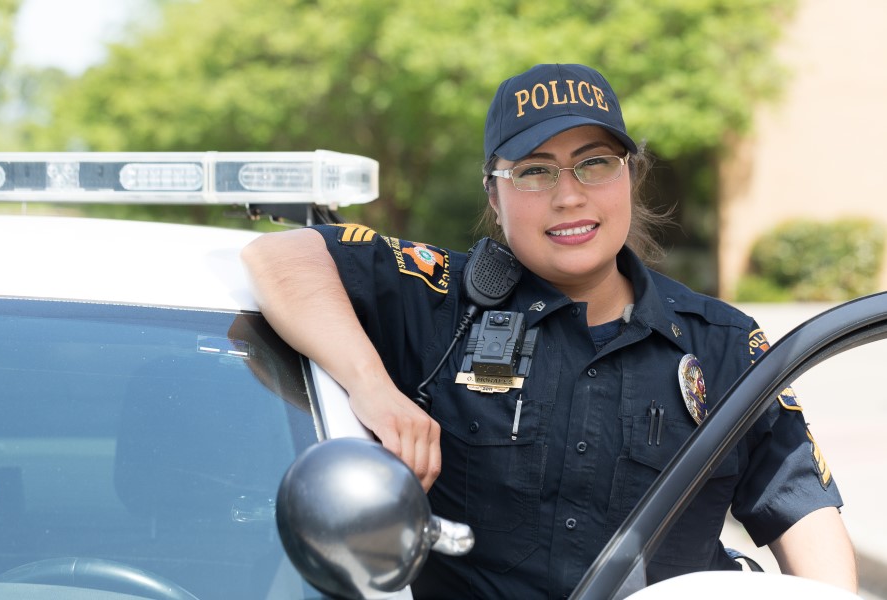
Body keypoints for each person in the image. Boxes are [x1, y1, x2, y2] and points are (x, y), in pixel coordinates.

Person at [242, 63, 857, 598]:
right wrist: (373, 388)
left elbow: (802, 514)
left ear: (629, 176)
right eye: (535, 172)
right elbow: (282, 258)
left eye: (594, 164)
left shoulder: (723, 344)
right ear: (494, 194)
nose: (568, 197)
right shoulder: (437, 302)